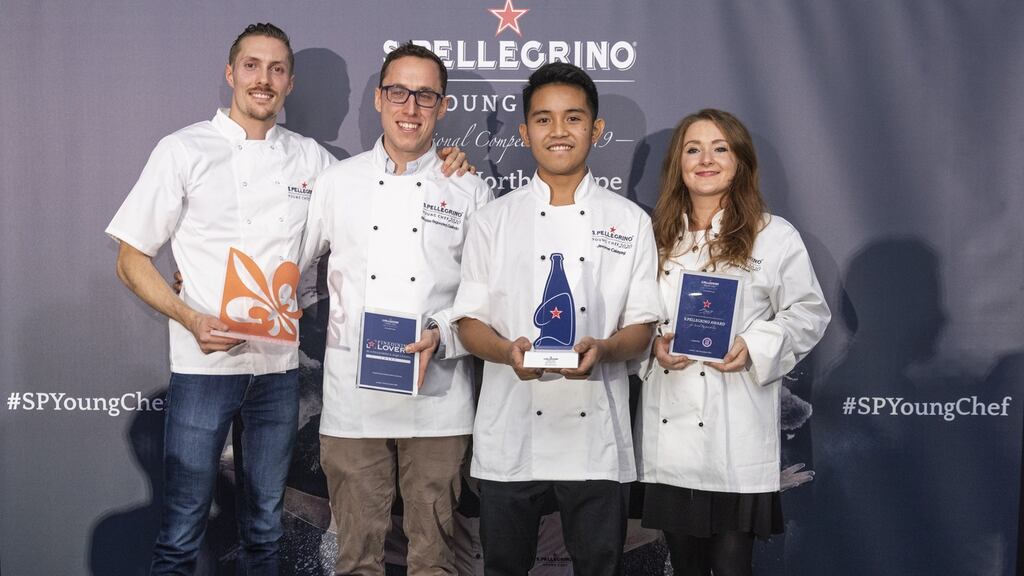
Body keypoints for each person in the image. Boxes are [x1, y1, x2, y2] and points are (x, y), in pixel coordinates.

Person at [105, 23, 332, 573]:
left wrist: (442, 166)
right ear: (231, 73)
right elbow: (131, 257)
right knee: (182, 529)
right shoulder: (184, 149)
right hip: (203, 366)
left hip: (279, 373)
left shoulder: (313, 160)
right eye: (252, 66)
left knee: (265, 531)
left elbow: (371, 212)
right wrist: (189, 316)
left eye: (277, 69)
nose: (264, 79)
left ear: (290, 83)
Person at [452, 62, 661, 576]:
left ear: (597, 128)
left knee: (600, 568)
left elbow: (643, 325)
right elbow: (468, 321)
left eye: (573, 117)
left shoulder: (630, 220)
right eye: (543, 120)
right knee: (502, 567)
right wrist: (505, 351)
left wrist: (605, 350)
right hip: (512, 427)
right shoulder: (491, 220)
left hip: (596, 435)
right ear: (524, 133)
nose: (559, 131)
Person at [297, 42, 492, 576]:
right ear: (380, 99)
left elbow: (485, 293)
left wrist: (443, 331)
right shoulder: (339, 182)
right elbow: (288, 265)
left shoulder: (471, 189)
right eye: (399, 93)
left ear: (443, 106)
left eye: (425, 96)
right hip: (352, 400)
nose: (411, 107)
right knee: (356, 559)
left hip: (439, 399)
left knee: (434, 559)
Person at [636, 109, 830, 576]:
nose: (706, 159)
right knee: (684, 565)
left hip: (735, 427)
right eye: (693, 148)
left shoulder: (774, 236)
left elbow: (808, 312)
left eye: (720, 148)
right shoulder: (652, 238)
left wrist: (755, 343)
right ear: (677, 164)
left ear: (740, 161)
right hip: (671, 430)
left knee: (731, 565)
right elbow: (631, 316)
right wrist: (653, 346)